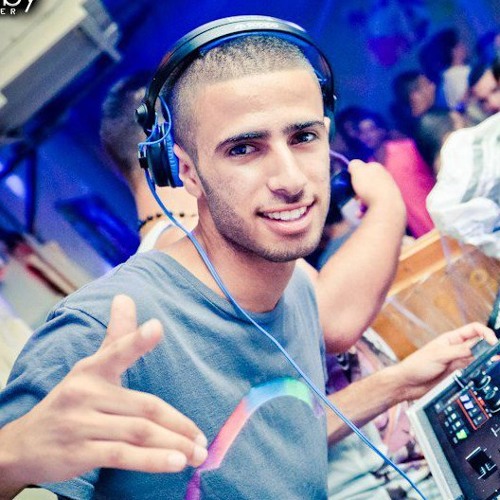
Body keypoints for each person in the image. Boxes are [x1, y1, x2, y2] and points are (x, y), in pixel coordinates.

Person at [0, 17, 495, 500]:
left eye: (303, 138)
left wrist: (398, 384)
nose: (291, 179)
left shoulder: (291, 286)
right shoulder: (101, 328)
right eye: (243, 149)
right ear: (185, 172)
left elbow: (268, 446)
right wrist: (11, 456)